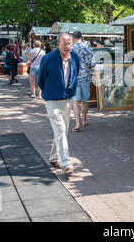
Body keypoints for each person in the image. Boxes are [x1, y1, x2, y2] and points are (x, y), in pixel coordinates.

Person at [37, 33, 80, 178]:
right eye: (64, 43)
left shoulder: (75, 58)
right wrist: (48, 92)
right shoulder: (48, 59)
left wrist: (71, 90)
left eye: (69, 44)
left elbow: (76, 74)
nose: (67, 46)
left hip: (67, 98)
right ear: (58, 44)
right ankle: (66, 164)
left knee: (63, 131)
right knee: (61, 129)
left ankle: (54, 157)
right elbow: (40, 79)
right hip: (52, 99)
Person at [71, 31, 96, 132]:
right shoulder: (88, 48)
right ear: (82, 37)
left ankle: (77, 123)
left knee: (75, 101)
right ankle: (84, 121)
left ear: (73, 38)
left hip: (74, 77)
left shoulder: (71, 49)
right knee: (84, 101)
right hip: (85, 76)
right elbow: (93, 63)